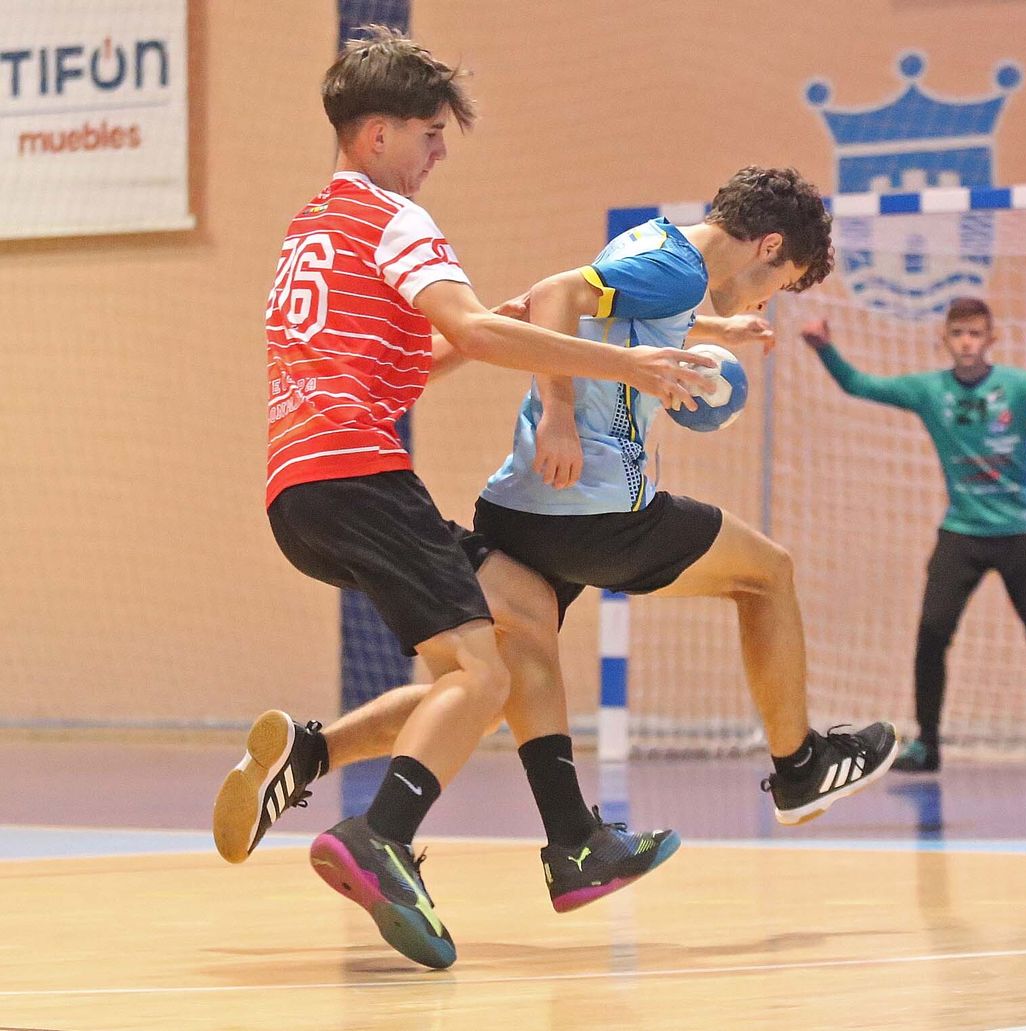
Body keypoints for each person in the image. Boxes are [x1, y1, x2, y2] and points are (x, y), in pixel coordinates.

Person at [230, 167, 899, 845]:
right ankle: (802, 766)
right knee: (768, 573)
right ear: (768, 245)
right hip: (596, 512)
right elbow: (559, 293)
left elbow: (619, 306)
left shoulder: (658, 247)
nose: (762, 303)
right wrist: (558, 413)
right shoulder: (681, 268)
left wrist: (712, 328)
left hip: (521, 504)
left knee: (490, 688)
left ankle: (313, 753)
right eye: (775, 286)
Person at [244, 26, 713, 970]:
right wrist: (625, 363)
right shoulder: (396, 219)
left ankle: (574, 842)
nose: (440, 152)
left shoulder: (314, 225)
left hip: (299, 487)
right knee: (476, 677)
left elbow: (421, 359)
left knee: (521, 615)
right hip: (360, 475)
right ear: (377, 136)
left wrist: (515, 315)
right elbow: (471, 333)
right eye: (428, 132)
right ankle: (378, 836)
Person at [800, 298, 1026, 780]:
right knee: (932, 633)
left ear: (990, 340)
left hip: (1025, 533)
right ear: (945, 340)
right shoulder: (929, 390)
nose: (966, 343)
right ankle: (927, 744)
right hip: (963, 532)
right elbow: (860, 385)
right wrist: (825, 349)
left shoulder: (1017, 386)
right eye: (958, 334)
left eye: (975, 334)